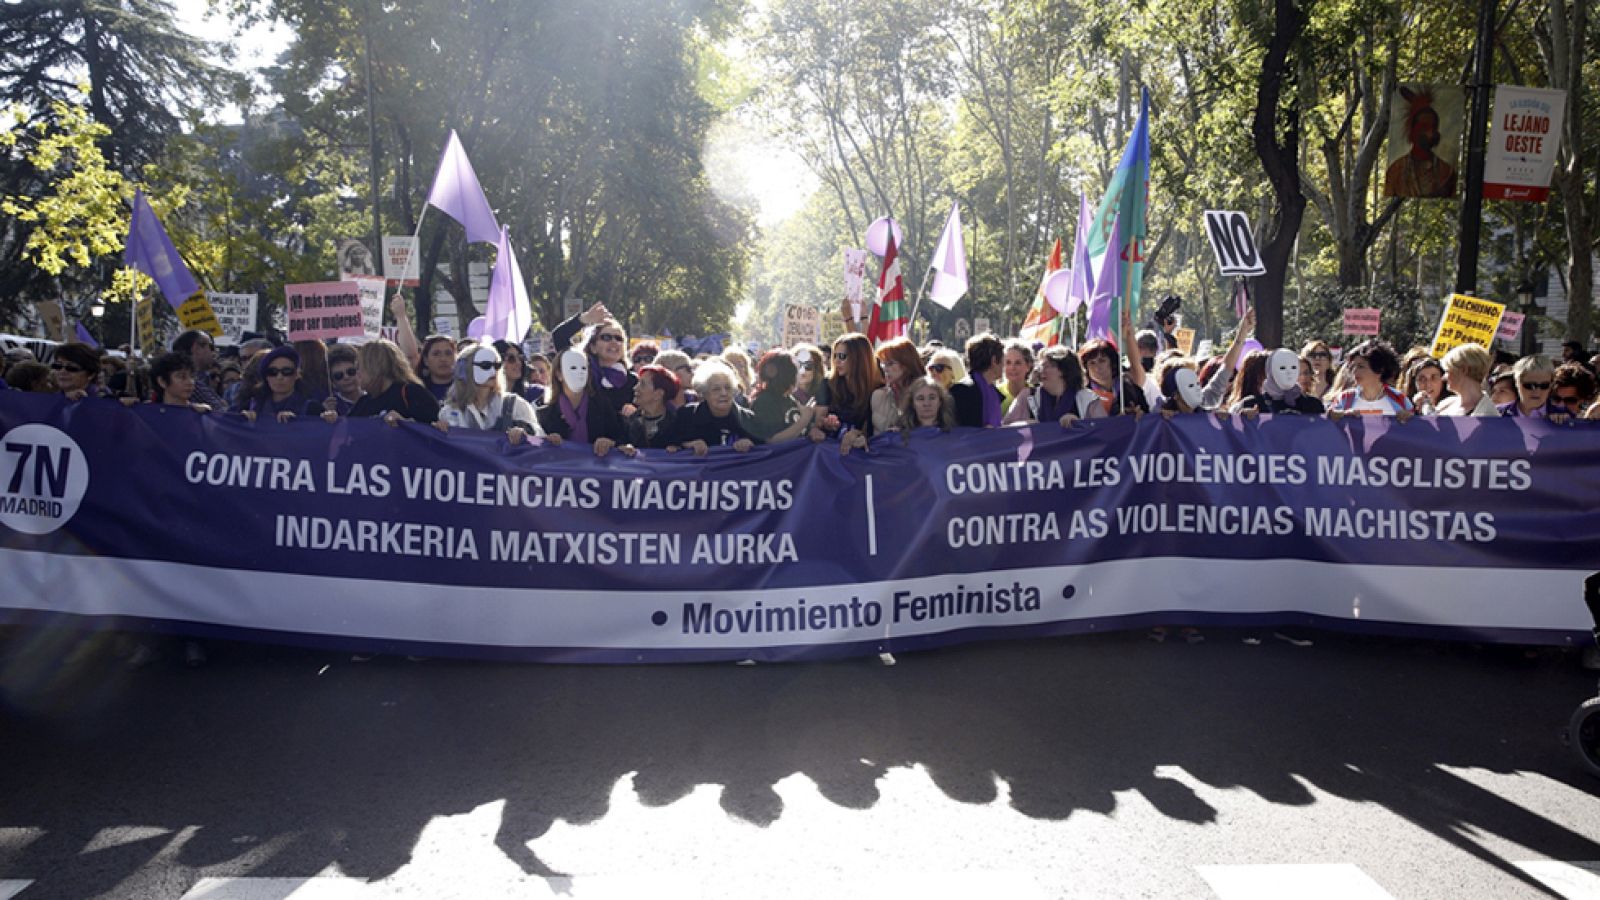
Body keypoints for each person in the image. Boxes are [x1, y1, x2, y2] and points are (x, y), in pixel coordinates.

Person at [437, 344, 540, 444]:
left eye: (497, 365)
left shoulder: (516, 405)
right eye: (485, 365)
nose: (493, 371)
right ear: (466, 369)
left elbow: (540, 441)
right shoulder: (449, 412)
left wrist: (526, 433)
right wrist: (439, 432)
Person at [552, 302, 637, 418]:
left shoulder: (633, 381)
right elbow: (559, 336)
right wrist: (585, 319)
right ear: (593, 347)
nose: (614, 342)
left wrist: (635, 411)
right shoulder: (581, 371)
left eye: (619, 338)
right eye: (606, 337)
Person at [536, 349, 630, 455]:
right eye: (573, 368)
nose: (580, 372)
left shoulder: (603, 406)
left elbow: (622, 438)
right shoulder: (545, 415)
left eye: (584, 368)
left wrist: (610, 442)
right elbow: (536, 450)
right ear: (559, 374)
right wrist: (547, 442)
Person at [662, 359, 756, 455]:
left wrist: (750, 444)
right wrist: (687, 445)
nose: (723, 393)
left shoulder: (748, 419)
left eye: (728, 388)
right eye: (716, 389)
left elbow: (763, 445)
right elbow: (664, 444)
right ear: (704, 393)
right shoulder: (686, 415)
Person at [1384, 88, 1457, 198]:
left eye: (1433, 127)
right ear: (1413, 131)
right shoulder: (1396, 170)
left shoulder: (1447, 172)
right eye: (1424, 127)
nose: (1430, 133)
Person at [1003, 345, 1103, 425]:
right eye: (1041, 366)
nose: (1042, 371)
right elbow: (1003, 429)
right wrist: (1024, 424)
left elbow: (1103, 432)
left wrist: (1080, 424)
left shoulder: (1088, 399)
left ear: (1064, 370)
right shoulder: (1027, 396)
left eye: (1048, 366)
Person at [349, 339, 441, 426]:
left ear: (374, 367)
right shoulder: (363, 403)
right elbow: (347, 430)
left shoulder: (412, 393)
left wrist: (406, 424)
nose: (357, 374)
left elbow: (436, 429)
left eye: (359, 367)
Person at [746, 349, 821, 444]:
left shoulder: (790, 398)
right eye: (796, 370)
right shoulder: (765, 401)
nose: (800, 374)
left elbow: (796, 428)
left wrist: (812, 430)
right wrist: (804, 420)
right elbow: (772, 440)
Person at [1326, 339, 1414, 418]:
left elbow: (1414, 427)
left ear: (1380, 369)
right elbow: (1329, 422)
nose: (1354, 371)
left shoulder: (1400, 399)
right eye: (1352, 367)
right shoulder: (1344, 398)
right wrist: (1339, 416)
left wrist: (1409, 418)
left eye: (1361, 366)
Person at [1230, 349, 1326, 415]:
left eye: (1293, 368)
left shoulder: (1313, 404)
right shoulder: (1251, 404)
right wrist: (1241, 421)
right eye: (1282, 368)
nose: (1288, 373)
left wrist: (1333, 420)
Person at [823, 333, 882, 434]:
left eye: (842, 356)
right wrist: (826, 423)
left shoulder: (877, 391)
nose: (836, 361)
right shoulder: (828, 384)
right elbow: (819, 420)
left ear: (859, 358)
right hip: (831, 441)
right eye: (835, 356)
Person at [240, 346, 313, 422]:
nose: (279, 377)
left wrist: (296, 421)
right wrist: (245, 421)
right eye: (273, 372)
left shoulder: (309, 407)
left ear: (297, 374)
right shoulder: (252, 404)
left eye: (286, 371)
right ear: (266, 376)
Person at [870, 337, 926, 434]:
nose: (885, 369)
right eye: (883, 364)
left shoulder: (927, 393)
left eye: (890, 363)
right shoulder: (879, 396)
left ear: (907, 364)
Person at [950, 333, 1007, 428]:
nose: (1004, 366)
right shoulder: (962, 391)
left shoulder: (994, 393)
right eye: (1003, 360)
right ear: (994, 360)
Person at [625, 365, 681, 449]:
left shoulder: (677, 425)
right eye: (638, 383)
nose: (635, 388)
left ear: (658, 394)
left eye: (642, 384)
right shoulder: (629, 422)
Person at [1498, 354, 1567, 420]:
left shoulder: (1565, 415)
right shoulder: (1498, 414)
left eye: (1544, 385)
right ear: (1516, 383)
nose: (1537, 391)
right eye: (1530, 385)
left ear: (1551, 385)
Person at [1435, 343, 1496, 416]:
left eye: (1447, 371)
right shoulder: (1446, 404)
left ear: (1464, 370)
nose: (1443, 378)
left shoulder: (1488, 415)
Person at [171, 330, 225, 409]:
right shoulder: (191, 383)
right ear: (196, 348)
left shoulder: (204, 379)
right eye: (211, 347)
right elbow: (220, 411)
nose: (215, 352)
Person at [148, 352, 212, 412]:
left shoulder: (201, 412)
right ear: (162, 382)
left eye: (192, 376)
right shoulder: (149, 414)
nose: (190, 382)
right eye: (181, 377)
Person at [319, 344, 365, 417]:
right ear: (332, 382)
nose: (346, 377)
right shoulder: (331, 405)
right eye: (338, 376)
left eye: (351, 372)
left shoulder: (373, 397)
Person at [495, 340, 544, 407]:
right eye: (511, 358)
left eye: (520, 358)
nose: (518, 363)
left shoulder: (535, 393)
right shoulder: (487, 400)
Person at [415, 335, 458, 401]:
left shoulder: (467, 388)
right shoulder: (418, 391)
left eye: (448, 353)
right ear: (425, 360)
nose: (443, 359)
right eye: (436, 354)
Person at [998, 340, 1034, 415]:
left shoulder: (1036, 395)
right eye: (1008, 362)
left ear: (1028, 366)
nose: (1012, 367)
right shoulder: (995, 393)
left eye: (1018, 363)